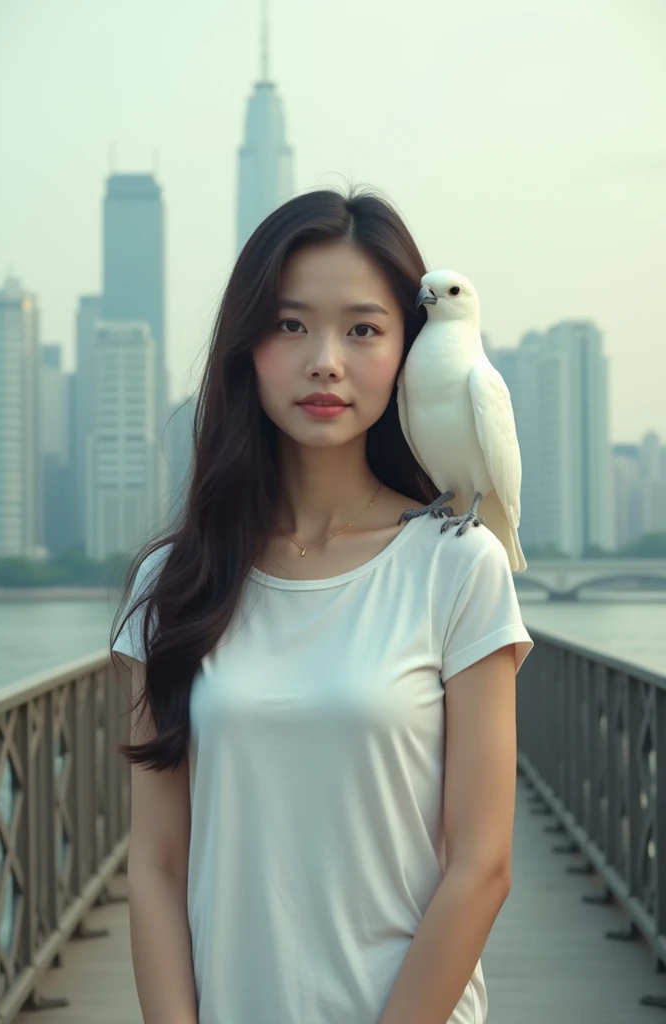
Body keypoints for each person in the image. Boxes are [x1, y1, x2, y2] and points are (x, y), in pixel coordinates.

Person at [111, 186, 533, 1024]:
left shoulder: (460, 568)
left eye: (364, 329)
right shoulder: (173, 583)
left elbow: (481, 865)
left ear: (408, 348)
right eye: (291, 325)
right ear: (247, 347)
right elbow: (156, 864)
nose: (326, 360)